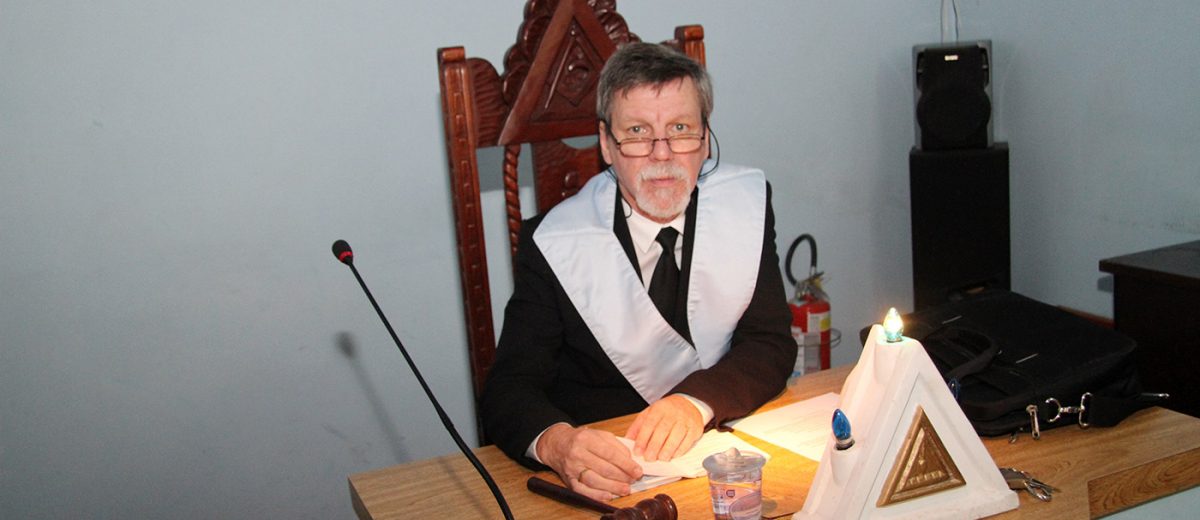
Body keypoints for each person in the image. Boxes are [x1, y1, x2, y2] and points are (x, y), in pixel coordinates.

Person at [480, 42, 795, 502]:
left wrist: (694, 403)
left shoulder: (745, 204)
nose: (662, 155)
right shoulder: (557, 242)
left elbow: (770, 344)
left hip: (716, 457)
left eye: (680, 129)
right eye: (637, 132)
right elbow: (508, 390)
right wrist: (557, 444)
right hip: (610, 480)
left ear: (705, 139)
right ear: (607, 144)